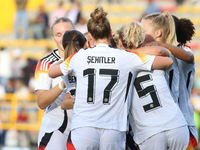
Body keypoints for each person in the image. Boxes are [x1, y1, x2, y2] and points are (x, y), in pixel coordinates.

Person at [48, 6, 173, 150]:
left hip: (84, 127)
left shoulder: (79, 57)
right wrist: (133, 52)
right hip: (114, 128)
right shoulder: (126, 57)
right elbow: (167, 61)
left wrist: (67, 57)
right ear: (111, 33)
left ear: (90, 36)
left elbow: (52, 72)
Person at [118, 21, 189, 150]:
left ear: (120, 42)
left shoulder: (120, 63)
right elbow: (166, 57)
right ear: (142, 40)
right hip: (176, 123)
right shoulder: (155, 57)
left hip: (149, 131)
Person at [146, 15, 198, 150]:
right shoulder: (156, 51)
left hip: (183, 119)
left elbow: (188, 57)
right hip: (163, 122)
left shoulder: (184, 50)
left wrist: (161, 45)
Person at [34, 17, 75, 150]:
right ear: (53, 38)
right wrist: (63, 83)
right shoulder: (45, 63)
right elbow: (41, 102)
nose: (63, 38)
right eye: (59, 34)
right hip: (56, 130)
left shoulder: (86, 58)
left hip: (83, 130)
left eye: (67, 32)